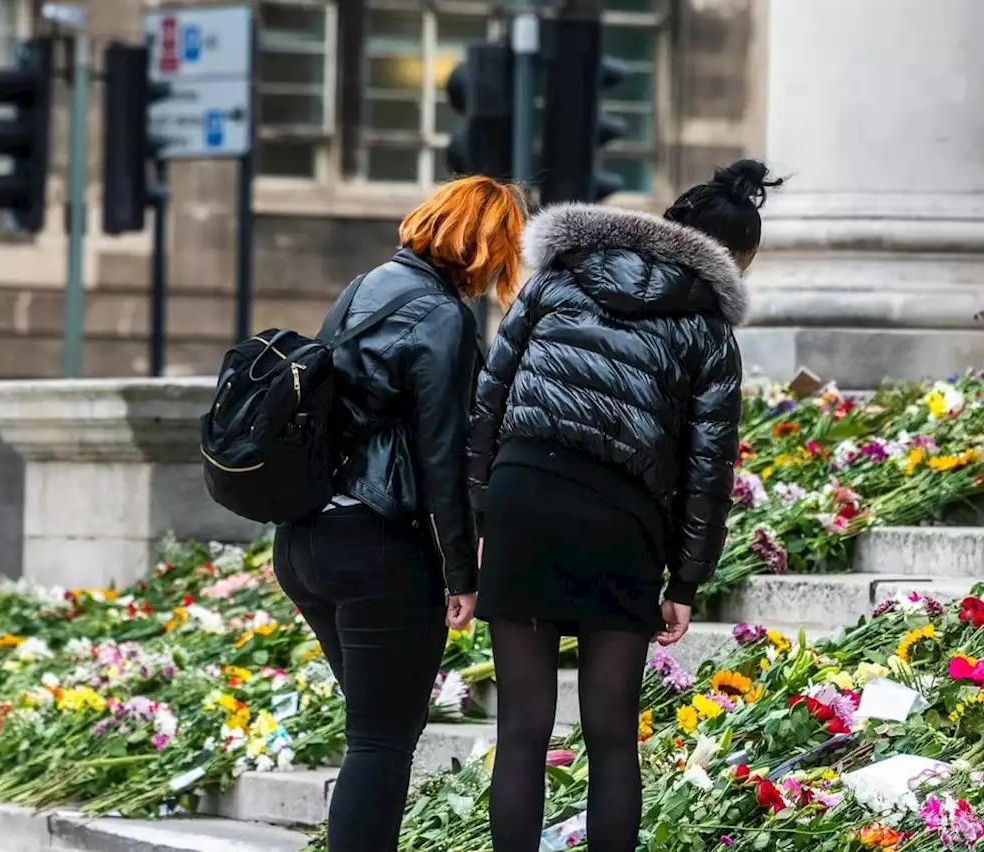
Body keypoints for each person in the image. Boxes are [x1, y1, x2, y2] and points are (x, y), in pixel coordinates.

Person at [467, 159, 781, 852]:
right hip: (620, 519)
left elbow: (489, 399)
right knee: (611, 736)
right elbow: (708, 470)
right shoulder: (708, 333)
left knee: (521, 729)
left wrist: (480, 519)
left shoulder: (558, 276)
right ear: (735, 260)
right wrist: (686, 580)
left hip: (524, 497)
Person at [273, 175, 526, 852]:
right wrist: (460, 574)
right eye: (505, 250)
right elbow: (443, 455)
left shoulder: (366, 287)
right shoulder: (442, 318)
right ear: (482, 247)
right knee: (381, 741)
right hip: (377, 549)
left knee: (375, 733)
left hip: (305, 542)